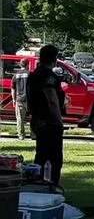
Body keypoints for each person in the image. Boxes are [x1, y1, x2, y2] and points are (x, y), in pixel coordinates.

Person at [26, 45, 65, 185]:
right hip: (50, 122)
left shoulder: (33, 75)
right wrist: (59, 120)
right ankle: (51, 186)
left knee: (41, 156)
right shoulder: (49, 77)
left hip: (37, 120)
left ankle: (37, 185)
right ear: (54, 59)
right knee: (54, 159)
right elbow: (52, 99)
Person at [12, 59, 30, 139]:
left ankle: (21, 135)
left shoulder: (15, 75)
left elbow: (13, 89)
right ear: (27, 65)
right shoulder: (30, 75)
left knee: (20, 118)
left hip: (19, 100)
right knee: (33, 118)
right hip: (29, 100)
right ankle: (33, 134)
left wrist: (14, 99)